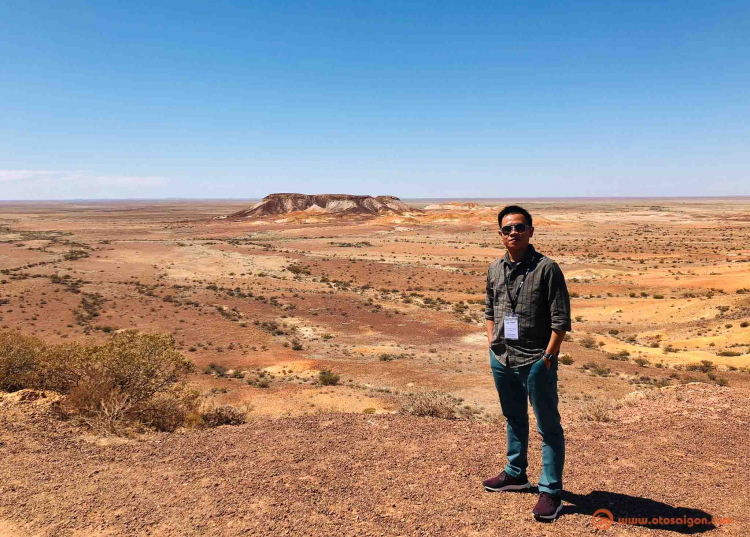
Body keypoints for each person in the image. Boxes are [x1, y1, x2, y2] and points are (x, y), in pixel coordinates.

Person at [482, 205, 571, 521]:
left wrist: (547, 358)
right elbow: (490, 310)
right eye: (507, 229)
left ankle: (551, 492)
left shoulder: (547, 269)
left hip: (536, 360)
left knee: (548, 427)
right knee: (514, 417)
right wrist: (493, 343)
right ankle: (516, 474)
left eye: (519, 227)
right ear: (500, 234)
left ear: (531, 231)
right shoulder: (495, 269)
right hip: (503, 357)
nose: (513, 233)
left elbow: (561, 320)